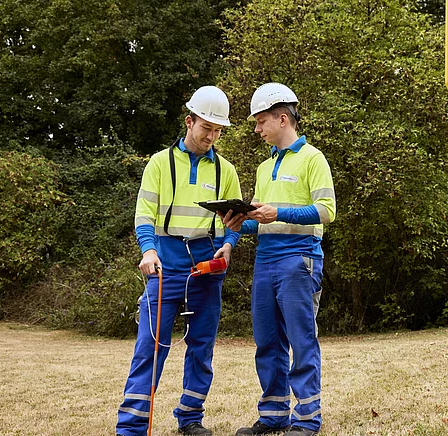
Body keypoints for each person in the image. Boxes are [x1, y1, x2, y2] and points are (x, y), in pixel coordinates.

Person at [116, 85, 243, 436]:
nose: (212, 136)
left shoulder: (226, 170)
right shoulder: (159, 163)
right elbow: (144, 214)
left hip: (206, 264)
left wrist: (229, 244)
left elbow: (233, 221)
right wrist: (148, 250)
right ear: (189, 122)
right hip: (165, 262)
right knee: (150, 348)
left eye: (218, 131)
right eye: (207, 128)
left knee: (202, 346)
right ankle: (131, 427)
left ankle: (190, 418)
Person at [222, 83, 336, 436]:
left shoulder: (313, 159)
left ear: (282, 118)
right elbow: (262, 220)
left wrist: (279, 212)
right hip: (265, 261)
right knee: (267, 341)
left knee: (301, 341)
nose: (257, 130)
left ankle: (306, 419)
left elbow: (327, 211)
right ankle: (273, 415)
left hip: (299, 259)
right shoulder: (262, 167)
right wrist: (235, 230)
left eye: (261, 122)